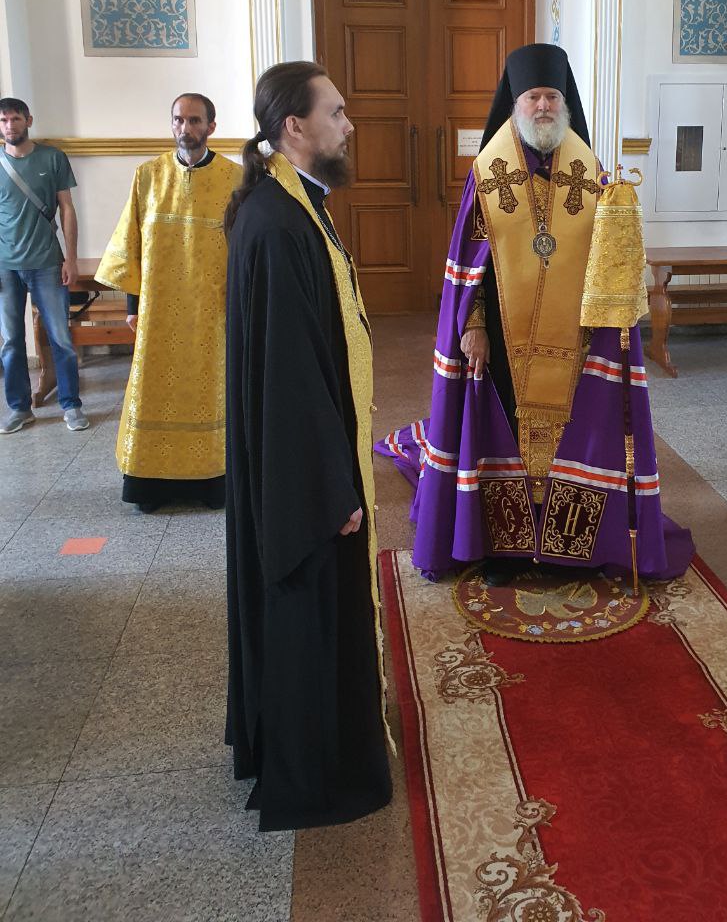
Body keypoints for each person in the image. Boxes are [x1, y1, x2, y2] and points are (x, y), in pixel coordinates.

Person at [377, 44, 694, 583]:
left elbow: (610, 259)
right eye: (532, 97)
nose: (543, 106)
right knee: (502, 440)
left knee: (576, 438)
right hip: (503, 341)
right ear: (515, 103)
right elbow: (470, 265)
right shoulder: (487, 172)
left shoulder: (593, 174)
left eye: (551, 97)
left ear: (564, 103)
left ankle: (572, 548)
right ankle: (504, 550)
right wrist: (473, 326)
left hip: (576, 338)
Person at [223, 60, 392, 833]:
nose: (348, 125)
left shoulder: (292, 204)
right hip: (305, 471)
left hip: (308, 451)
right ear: (294, 127)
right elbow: (290, 374)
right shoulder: (279, 221)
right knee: (310, 603)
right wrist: (333, 487)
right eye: (337, 112)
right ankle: (316, 768)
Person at [96, 94, 240, 512]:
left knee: (210, 392)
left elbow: (244, 248)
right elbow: (132, 243)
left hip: (212, 313)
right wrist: (132, 305)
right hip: (159, 313)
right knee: (156, 391)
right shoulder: (148, 176)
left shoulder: (235, 180)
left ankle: (211, 482)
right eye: (178, 120)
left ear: (211, 127)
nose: (185, 128)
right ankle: (151, 485)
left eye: (194, 120)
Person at [0, 97, 87, 434]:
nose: (9, 126)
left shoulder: (52, 158)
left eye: (15, 119)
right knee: (11, 341)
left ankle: (71, 405)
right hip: (6, 266)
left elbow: (67, 208)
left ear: (29, 121)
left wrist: (71, 258)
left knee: (60, 337)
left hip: (47, 262)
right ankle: (20, 408)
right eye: (4, 120)